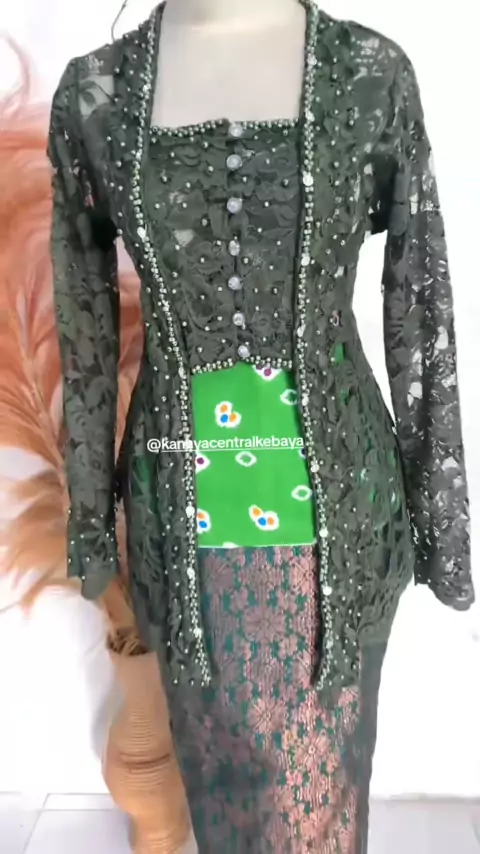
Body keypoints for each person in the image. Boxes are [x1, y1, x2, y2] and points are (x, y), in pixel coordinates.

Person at [47, 1, 474, 850]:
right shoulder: (95, 94)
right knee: (226, 799)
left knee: (321, 806)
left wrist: (440, 511)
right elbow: (83, 321)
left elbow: (418, 291)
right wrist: (89, 520)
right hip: (183, 528)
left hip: (341, 521)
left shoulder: (370, 74)